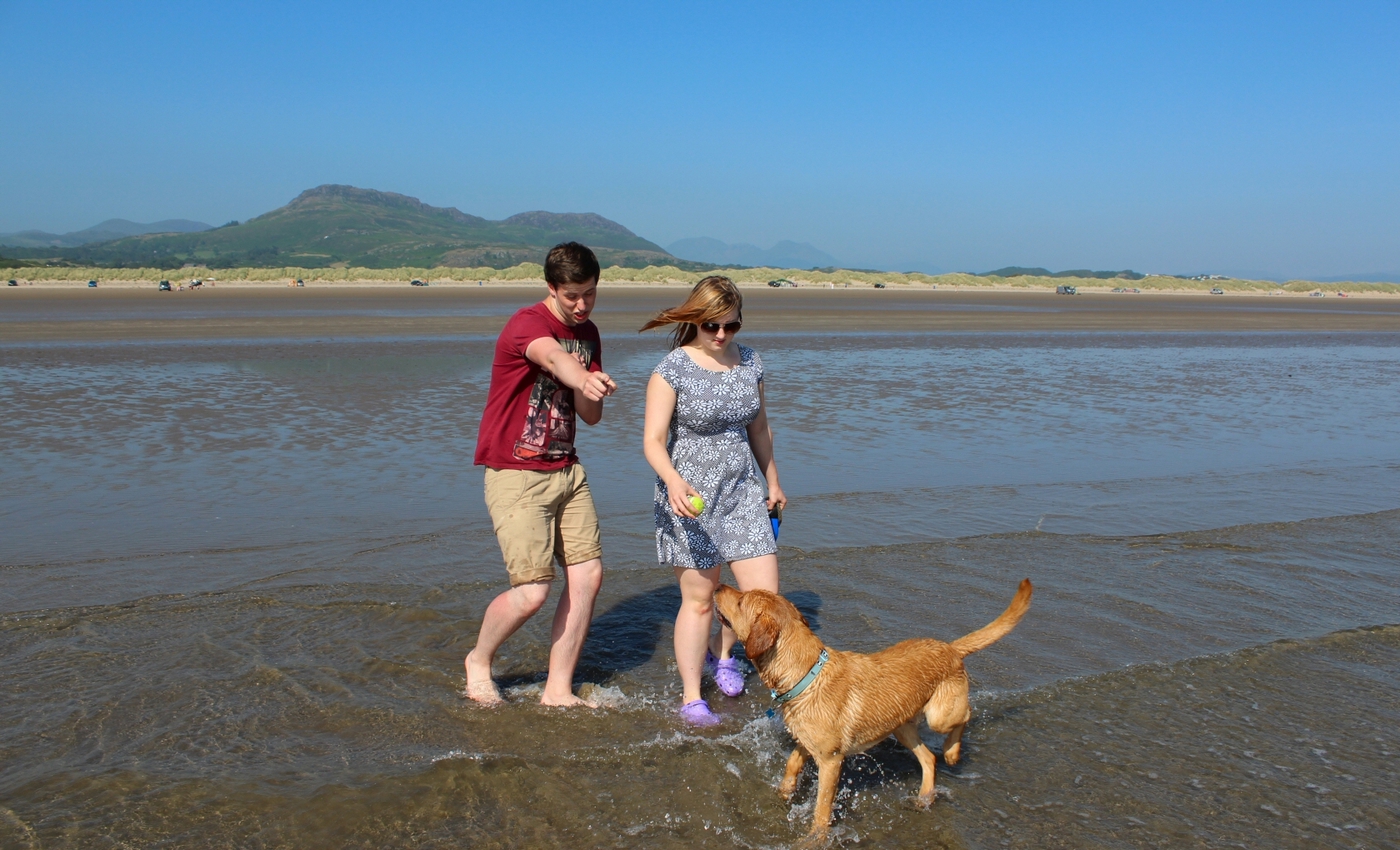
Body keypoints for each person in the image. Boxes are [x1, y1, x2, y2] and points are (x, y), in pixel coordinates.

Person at [465, 242, 617, 707]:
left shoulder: (588, 332)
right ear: (551, 287)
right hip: (515, 472)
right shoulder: (527, 323)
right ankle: (478, 660)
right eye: (572, 295)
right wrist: (581, 375)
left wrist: (595, 388)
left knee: (588, 576)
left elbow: (589, 416)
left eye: (589, 293)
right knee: (532, 591)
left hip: (566, 468)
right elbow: (553, 358)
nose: (581, 305)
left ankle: (557, 689)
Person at [641, 276, 787, 725]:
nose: (721, 335)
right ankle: (691, 697)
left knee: (761, 596)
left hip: (743, 491)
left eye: (731, 326)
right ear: (694, 321)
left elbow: (759, 430)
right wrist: (672, 482)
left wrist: (774, 482)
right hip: (690, 496)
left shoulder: (750, 363)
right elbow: (653, 440)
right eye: (710, 326)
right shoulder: (672, 368)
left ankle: (725, 657)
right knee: (700, 598)